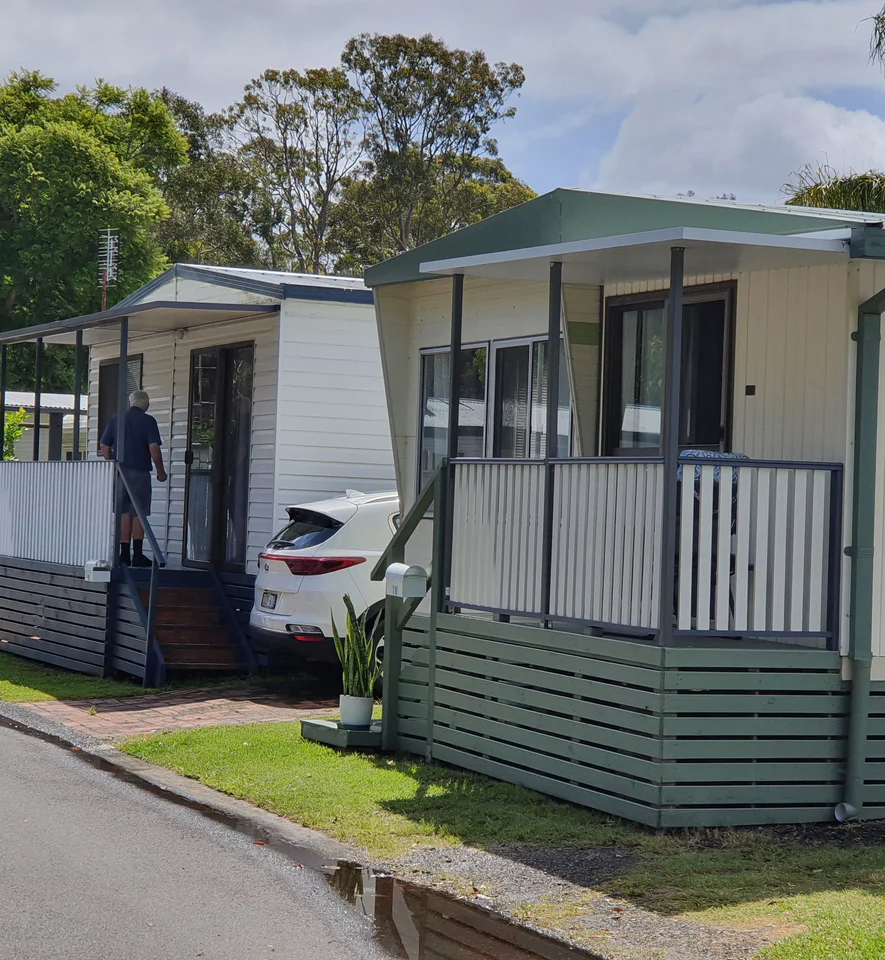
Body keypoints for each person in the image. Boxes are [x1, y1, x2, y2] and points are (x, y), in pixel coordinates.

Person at [100, 389, 167, 567]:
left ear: (130, 403)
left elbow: (104, 446)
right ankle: (137, 554)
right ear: (147, 405)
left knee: (123, 512)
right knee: (138, 512)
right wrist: (161, 471)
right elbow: (154, 448)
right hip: (140, 474)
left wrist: (113, 465)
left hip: (121, 473)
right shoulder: (148, 421)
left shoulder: (117, 419)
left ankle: (123, 555)